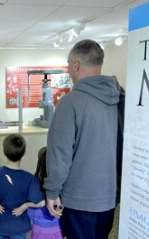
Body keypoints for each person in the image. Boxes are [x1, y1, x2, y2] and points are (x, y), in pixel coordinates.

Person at [44, 39, 125, 239]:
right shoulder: (122, 97)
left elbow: (59, 154)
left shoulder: (70, 102)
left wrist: (52, 191)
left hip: (77, 199)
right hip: (110, 197)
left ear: (75, 65)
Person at [0, 133, 45, 239]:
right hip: (19, 226)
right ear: (24, 152)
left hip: (0, 224)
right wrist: (25, 205)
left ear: (4, 152)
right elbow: (41, 203)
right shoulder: (29, 178)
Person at [15, 147, 63, 239]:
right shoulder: (61, 185)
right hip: (57, 231)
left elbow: (29, 213)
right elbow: (62, 208)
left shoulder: (33, 184)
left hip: (38, 232)